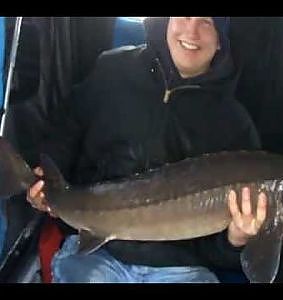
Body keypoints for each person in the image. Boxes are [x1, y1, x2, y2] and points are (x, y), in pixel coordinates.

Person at [26, 17, 267, 283]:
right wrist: (45, 177)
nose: (192, 30)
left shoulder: (235, 124)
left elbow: (221, 253)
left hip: (180, 269)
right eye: (184, 16)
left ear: (221, 39)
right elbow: (66, 129)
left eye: (207, 22)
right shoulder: (113, 69)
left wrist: (236, 239)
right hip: (97, 253)